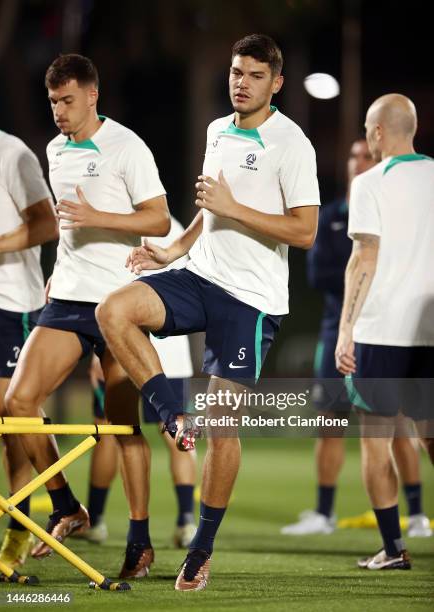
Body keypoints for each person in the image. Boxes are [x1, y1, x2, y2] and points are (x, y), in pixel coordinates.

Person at [96, 34, 320, 591]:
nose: (240, 82)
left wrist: (234, 208)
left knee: (223, 426)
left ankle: (201, 548)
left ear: (277, 83)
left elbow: (307, 230)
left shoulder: (291, 143)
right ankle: (173, 413)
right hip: (201, 277)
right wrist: (174, 249)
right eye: (235, 72)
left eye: (253, 75)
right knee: (114, 309)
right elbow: (207, 212)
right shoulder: (217, 131)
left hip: (251, 301)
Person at [5, 53, 170, 579]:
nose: (59, 111)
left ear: (92, 95)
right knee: (19, 401)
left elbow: (160, 218)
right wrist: (58, 268)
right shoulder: (54, 149)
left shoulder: (127, 146)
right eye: (53, 101)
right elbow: (67, 225)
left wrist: (100, 218)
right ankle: (65, 506)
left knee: (123, 427)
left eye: (68, 101)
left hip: (120, 303)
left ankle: (139, 544)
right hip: (70, 297)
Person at [281, 140, 431, 538]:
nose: (360, 161)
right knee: (332, 422)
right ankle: (324, 512)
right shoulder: (331, 216)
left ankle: (414, 517)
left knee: (400, 427)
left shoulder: (392, 204)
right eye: (354, 156)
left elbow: (373, 261)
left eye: (368, 154)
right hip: (340, 329)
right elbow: (319, 274)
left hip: (388, 331)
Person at [335, 93, 434, 570]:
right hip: (429, 329)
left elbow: (364, 258)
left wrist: (344, 329)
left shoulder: (370, 182)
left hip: (382, 331)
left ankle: (394, 549)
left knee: (375, 442)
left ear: (376, 132)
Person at [79, 217, 197, 548]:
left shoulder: (118, 226)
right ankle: (186, 522)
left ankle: (97, 521)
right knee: (175, 431)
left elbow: (111, 295)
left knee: (110, 430)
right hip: (173, 352)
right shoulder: (178, 228)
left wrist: (96, 353)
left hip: (126, 351)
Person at [0, 130, 58, 568]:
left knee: (12, 418)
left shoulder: (12, 152)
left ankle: (19, 527)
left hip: (10, 302)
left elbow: (46, 224)